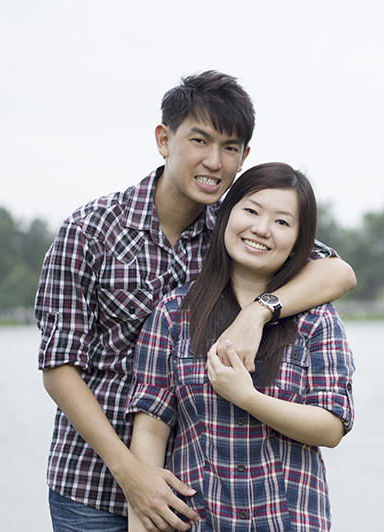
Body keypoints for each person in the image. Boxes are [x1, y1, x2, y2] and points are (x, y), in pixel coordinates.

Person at [35, 72, 356, 532]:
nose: (213, 161)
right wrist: (133, 475)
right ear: (164, 140)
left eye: (229, 148)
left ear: (244, 156)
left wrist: (256, 312)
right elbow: (59, 367)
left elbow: (338, 272)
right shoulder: (89, 231)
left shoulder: (232, 233)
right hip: (93, 481)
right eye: (199, 140)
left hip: (196, 492)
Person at [127, 162, 355, 532]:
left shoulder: (317, 320)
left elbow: (330, 427)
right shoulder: (173, 315)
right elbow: (150, 437)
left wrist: (247, 398)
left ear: (300, 240)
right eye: (250, 210)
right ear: (224, 215)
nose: (261, 229)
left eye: (282, 222)